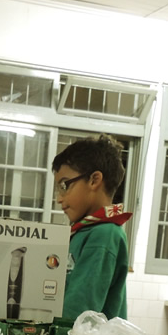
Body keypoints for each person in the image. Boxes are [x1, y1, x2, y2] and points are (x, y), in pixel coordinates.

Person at [51, 134, 131, 321]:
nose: (59, 198)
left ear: (94, 180)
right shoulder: (83, 231)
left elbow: (78, 312)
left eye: (64, 186)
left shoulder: (104, 234)